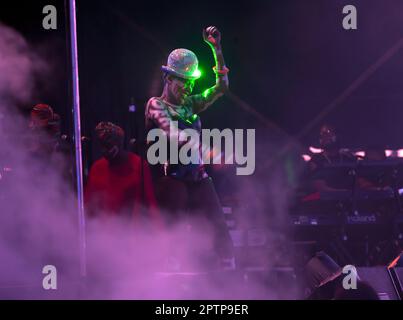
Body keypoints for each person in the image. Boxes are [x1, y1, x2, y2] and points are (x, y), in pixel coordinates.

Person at [145, 26, 234, 268]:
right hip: (171, 178)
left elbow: (222, 87)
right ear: (168, 79)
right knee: (173, 235)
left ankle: (221, 280)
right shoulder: (156, 105)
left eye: (191, 82)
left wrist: (216, 49)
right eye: (183, 81)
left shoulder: (191, 104)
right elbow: (173, 134)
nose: (188, 87)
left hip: (197, 175)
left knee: (218, 232)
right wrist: (210, 151)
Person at [84, 122, 162, 230]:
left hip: (131, 233)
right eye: (101, 145)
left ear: (119, 143)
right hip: (103, 233)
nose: (103, 150)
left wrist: (158, 232)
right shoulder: (97, 168)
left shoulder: (138, 164)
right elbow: (89, 206)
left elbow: (149, 203)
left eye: (108, 145)